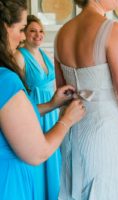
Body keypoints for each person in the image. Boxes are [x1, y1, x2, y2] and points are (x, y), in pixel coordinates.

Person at [54, 0, 118, 199]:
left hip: (72, 133)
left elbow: (63, 93)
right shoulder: (112, 30)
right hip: (104, 133)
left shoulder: (61, 34)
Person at [0, 0, 85, 199]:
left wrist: (52, 104)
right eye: (22, 29)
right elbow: (37, 152)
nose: (22, 37)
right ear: (4, 27)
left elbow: (13, 118)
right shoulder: (5, 79)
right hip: (8, 183)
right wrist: (67, 120)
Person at [14, 14, 62, 200]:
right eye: (32, 31)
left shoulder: (45, 54)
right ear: (24, 33)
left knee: (52, 159)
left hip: (52, 113)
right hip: (36, 113)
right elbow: (17, 93)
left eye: (41, 31)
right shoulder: (19, 56)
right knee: (37, 159)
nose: (38, 35)